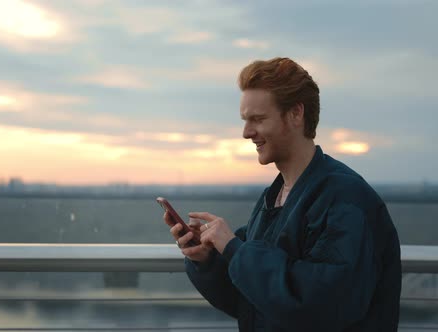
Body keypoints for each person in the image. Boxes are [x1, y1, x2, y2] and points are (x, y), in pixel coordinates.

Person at [164, 57, 402, 331]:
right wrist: (206, 259)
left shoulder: (345, 198)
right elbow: (252, 302)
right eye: (245, 120)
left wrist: (234, 249)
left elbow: (323, 304)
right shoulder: (273, 198)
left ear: (296, 114)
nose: (246, 132)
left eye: (258, 119)